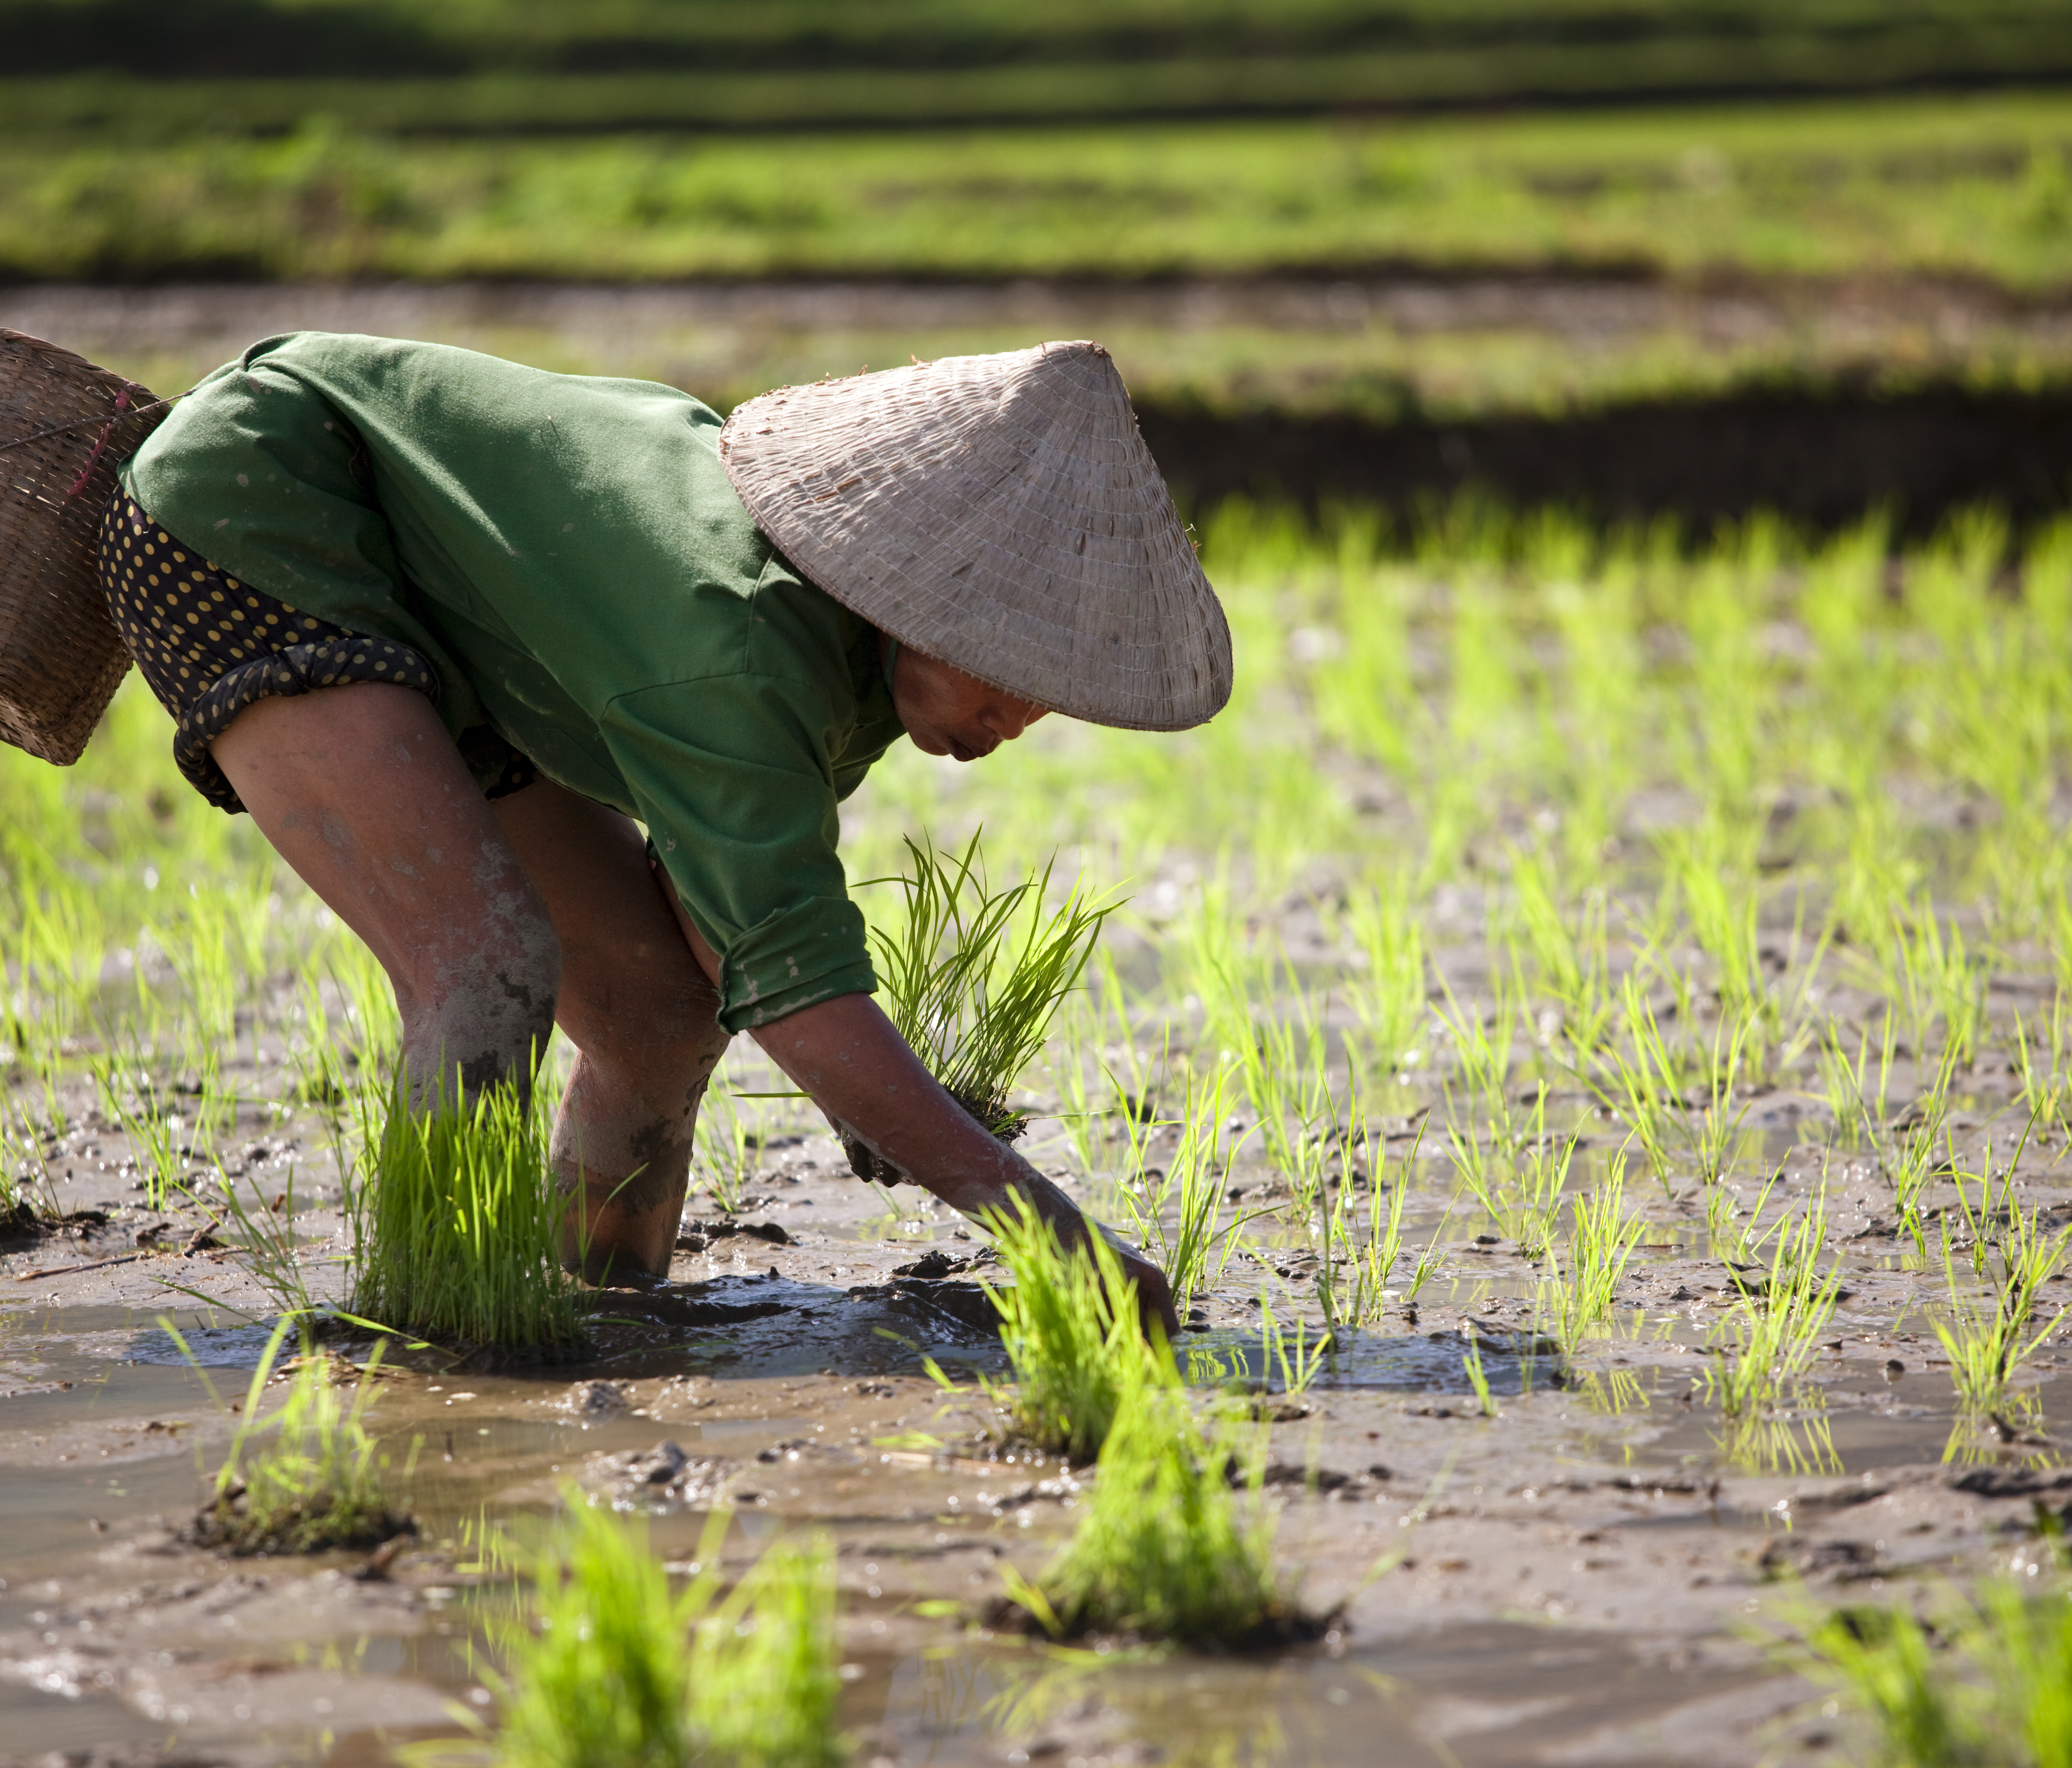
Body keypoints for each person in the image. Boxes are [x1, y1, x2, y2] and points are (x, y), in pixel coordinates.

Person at [101, 332, 1231, 1328]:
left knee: (657, 1010)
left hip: (453, 627)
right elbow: (794, 990)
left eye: (1055, 686)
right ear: (910, 600)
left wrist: (880, 1093)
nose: (1025, 713)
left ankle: (604, 1307)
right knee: (483, 964)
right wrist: (1051, 1234)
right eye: (1011, 663)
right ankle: (435, 1332)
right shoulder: (736, 647)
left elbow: (732, 929)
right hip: (261, 506)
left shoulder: (853, 660)